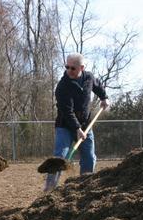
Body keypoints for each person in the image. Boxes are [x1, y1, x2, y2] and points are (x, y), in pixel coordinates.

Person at [45, 53, 109, 192]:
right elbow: (67, 111)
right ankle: (49, 189)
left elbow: (97, 86)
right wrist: (77, 128)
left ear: (82, 67)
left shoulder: (89, 77)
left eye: (73, 68)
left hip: (86, 125)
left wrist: (104, 97)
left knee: (89, 158)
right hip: (65, 126)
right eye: (67, 67)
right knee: (60, 157)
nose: (69, 70)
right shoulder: (62, 86)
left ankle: (84, 187)